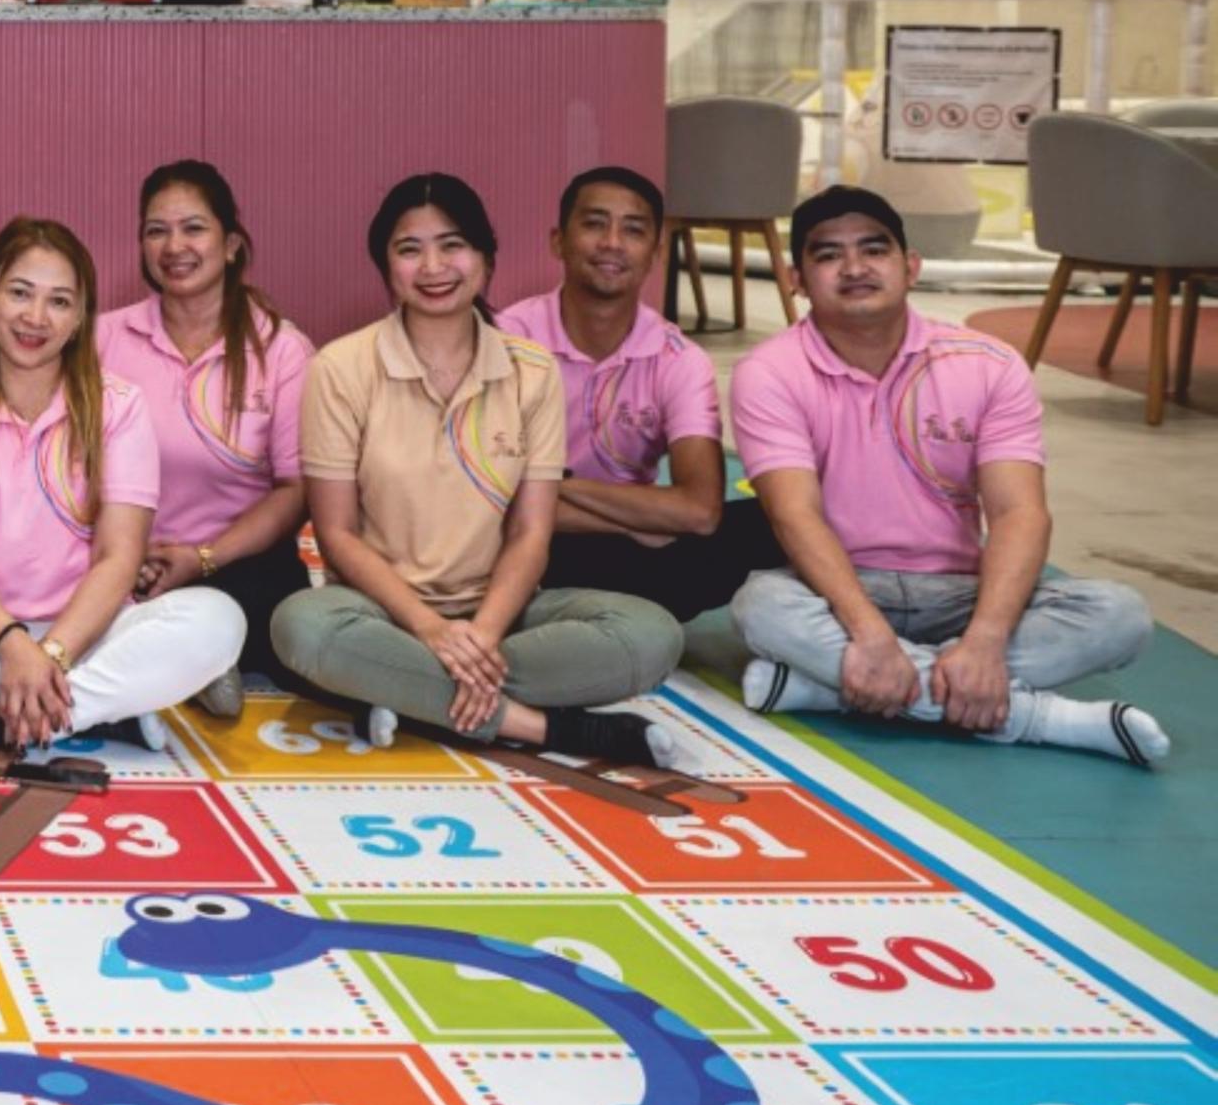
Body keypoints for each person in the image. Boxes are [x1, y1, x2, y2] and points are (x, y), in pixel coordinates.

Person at [729, 185, 1169, 767]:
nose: (855, 268)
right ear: (797, 280)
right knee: (761, 606)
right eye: (829, 254)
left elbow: (1019, 513)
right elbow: (795, 515)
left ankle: (833, 687)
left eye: (874, 250)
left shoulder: (989, 364)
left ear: (911, 266)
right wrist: (869, 633)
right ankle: (1034, 717)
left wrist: (985, 641)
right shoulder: (770, 372)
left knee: (1119, 616)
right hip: (841, 589)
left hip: (961, 591)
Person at [272, 174, 692, 769]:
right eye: (409, 249)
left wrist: (484, 634)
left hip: (503, 615)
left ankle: (404, 695)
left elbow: (530, 532)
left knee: (652, 634)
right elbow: (336, 534)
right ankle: (542, 725)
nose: (433, 267)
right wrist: (429, 629)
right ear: (386, 265)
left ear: (486, 258)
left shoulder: (532, 371)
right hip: (380, 613)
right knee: (302, 627)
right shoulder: (341, 367)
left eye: (453, 245)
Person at [0, 217, 245, 753]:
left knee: (219, 621)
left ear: (80, 318)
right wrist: (12, 644)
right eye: (19, 293)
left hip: (90, 634)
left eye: (59, 301)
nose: (36, 317)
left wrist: (52, 653)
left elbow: (119, 558)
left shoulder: (119, 405)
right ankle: (96, 713)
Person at [499, 166, 785, 623]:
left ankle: (570, 611)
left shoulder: (679, 359)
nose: (612, 243)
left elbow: (699, 511)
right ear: (558, 241)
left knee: (772, 516)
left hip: (620, 538)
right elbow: (481, 495)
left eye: (633, 230)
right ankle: (600, 613)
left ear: (655, 253)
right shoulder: (507, 341)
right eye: (594, 224)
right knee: (469, 521)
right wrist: (629, 525)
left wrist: (554, 483)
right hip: (535, 538)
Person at [98, 161, 313, 713]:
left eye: (193, 228)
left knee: (284, 623)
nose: (174, 246)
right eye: (156, 231)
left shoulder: (282, 350)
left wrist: (203, 558)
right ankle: (194, 662)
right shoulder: (103, 339)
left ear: (232, 244)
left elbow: (295, 491)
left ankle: (183, 660)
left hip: (239, 562)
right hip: (120, 557)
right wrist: (125, 554)